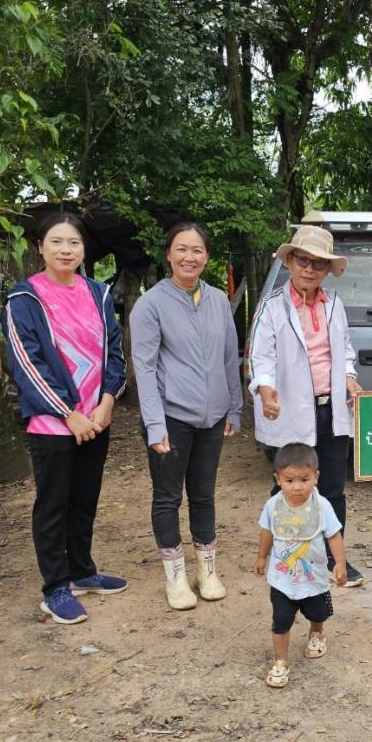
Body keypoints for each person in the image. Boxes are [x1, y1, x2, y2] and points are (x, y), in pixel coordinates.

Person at [3, 212, 128, 626]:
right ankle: (55, 586)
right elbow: (27, 363)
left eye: (73, 242)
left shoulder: (99, 293)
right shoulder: (25, 300)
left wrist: (107, 402)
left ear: (83, 248)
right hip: (54, 424)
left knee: (84, 499)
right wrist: (68, 413)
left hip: (96, 418)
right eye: (56, 242)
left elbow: (114, 352)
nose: (65, 250)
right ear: (40, 247)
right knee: (53, 504)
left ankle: (81, 570)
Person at [130, 221, 241, 610]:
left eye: (197, 250)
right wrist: (155, 424)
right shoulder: (151, 304)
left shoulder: (217, 301)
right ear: (168, 254)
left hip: (212, 417)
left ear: (206, 257)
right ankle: (175, 578)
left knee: (204, 495)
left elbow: (230, 356)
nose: (189, 257)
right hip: (170, 418)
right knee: (166, 497)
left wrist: (234, 406)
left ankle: (206, 570)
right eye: (181, 249)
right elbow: (142, 368)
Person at [249, 225, 364, 587]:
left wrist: (348, 375)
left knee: (331, 488)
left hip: (330, 409)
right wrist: (265, 389)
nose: (309, 269)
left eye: (318, 263)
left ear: (327, 270)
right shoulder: (271, 307)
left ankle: (335, 559)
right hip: (290, 408)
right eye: (303, 261)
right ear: (290, 262)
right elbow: (260, 357)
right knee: (289, 484)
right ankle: (282, 555)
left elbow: (343, 350)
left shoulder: (335, 305)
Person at [254, 443, 347, 688]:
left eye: (304, 479)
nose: (297, 487)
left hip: (313, 578)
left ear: (316, 477)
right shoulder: (274, 506)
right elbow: (267, 532)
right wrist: (262, 557)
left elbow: (334, 536)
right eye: (289, 480)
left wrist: (339, 563)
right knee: (280, 620)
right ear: (278, 480)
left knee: (318, 613)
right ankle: (281, 661)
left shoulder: (322, 506)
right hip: (282, 580)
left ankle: (317, 631)